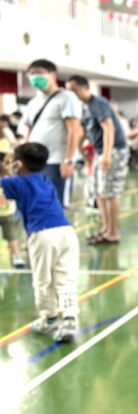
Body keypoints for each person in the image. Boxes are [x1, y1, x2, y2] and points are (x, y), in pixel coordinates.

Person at [0, 143, 80, 342]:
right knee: (65, 279)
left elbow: (5, 184)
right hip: (67, 232)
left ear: (19, 163)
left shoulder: (17, 184)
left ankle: (50, 318)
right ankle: (70, 318)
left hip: (42, 235)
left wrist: (5, 167)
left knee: (43, 279)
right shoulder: (45, 180)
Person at [66, 76, 130, 245]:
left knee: (110, 191)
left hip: (113, 150)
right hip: (99, 152)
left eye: (74, 90)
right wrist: (78, 150)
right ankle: (105, 228)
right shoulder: (84, 107)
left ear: (84, 88)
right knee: (98, 191)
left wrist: (107, 154)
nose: (71, 94)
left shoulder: (98, 103)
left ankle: (113, 233)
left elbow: (109, 128)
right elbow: (84, 131)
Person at [18, 60, 83, 208]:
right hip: (34, 162)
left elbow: (74, 130)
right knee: (35, 203)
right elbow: (27, 133)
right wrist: (23, 159)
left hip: (57, 161)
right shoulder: (33, 103)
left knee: (55, 206)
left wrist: (69, 160)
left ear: (53, 75)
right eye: (32, 74)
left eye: (39, 73)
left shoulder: (67, 98)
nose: (35, 77)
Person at [0, 145, 25, 268]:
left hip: (7, 214)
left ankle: (17, 256)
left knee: (12, 237)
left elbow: (17, 186)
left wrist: (9, 171)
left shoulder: (7, 179)